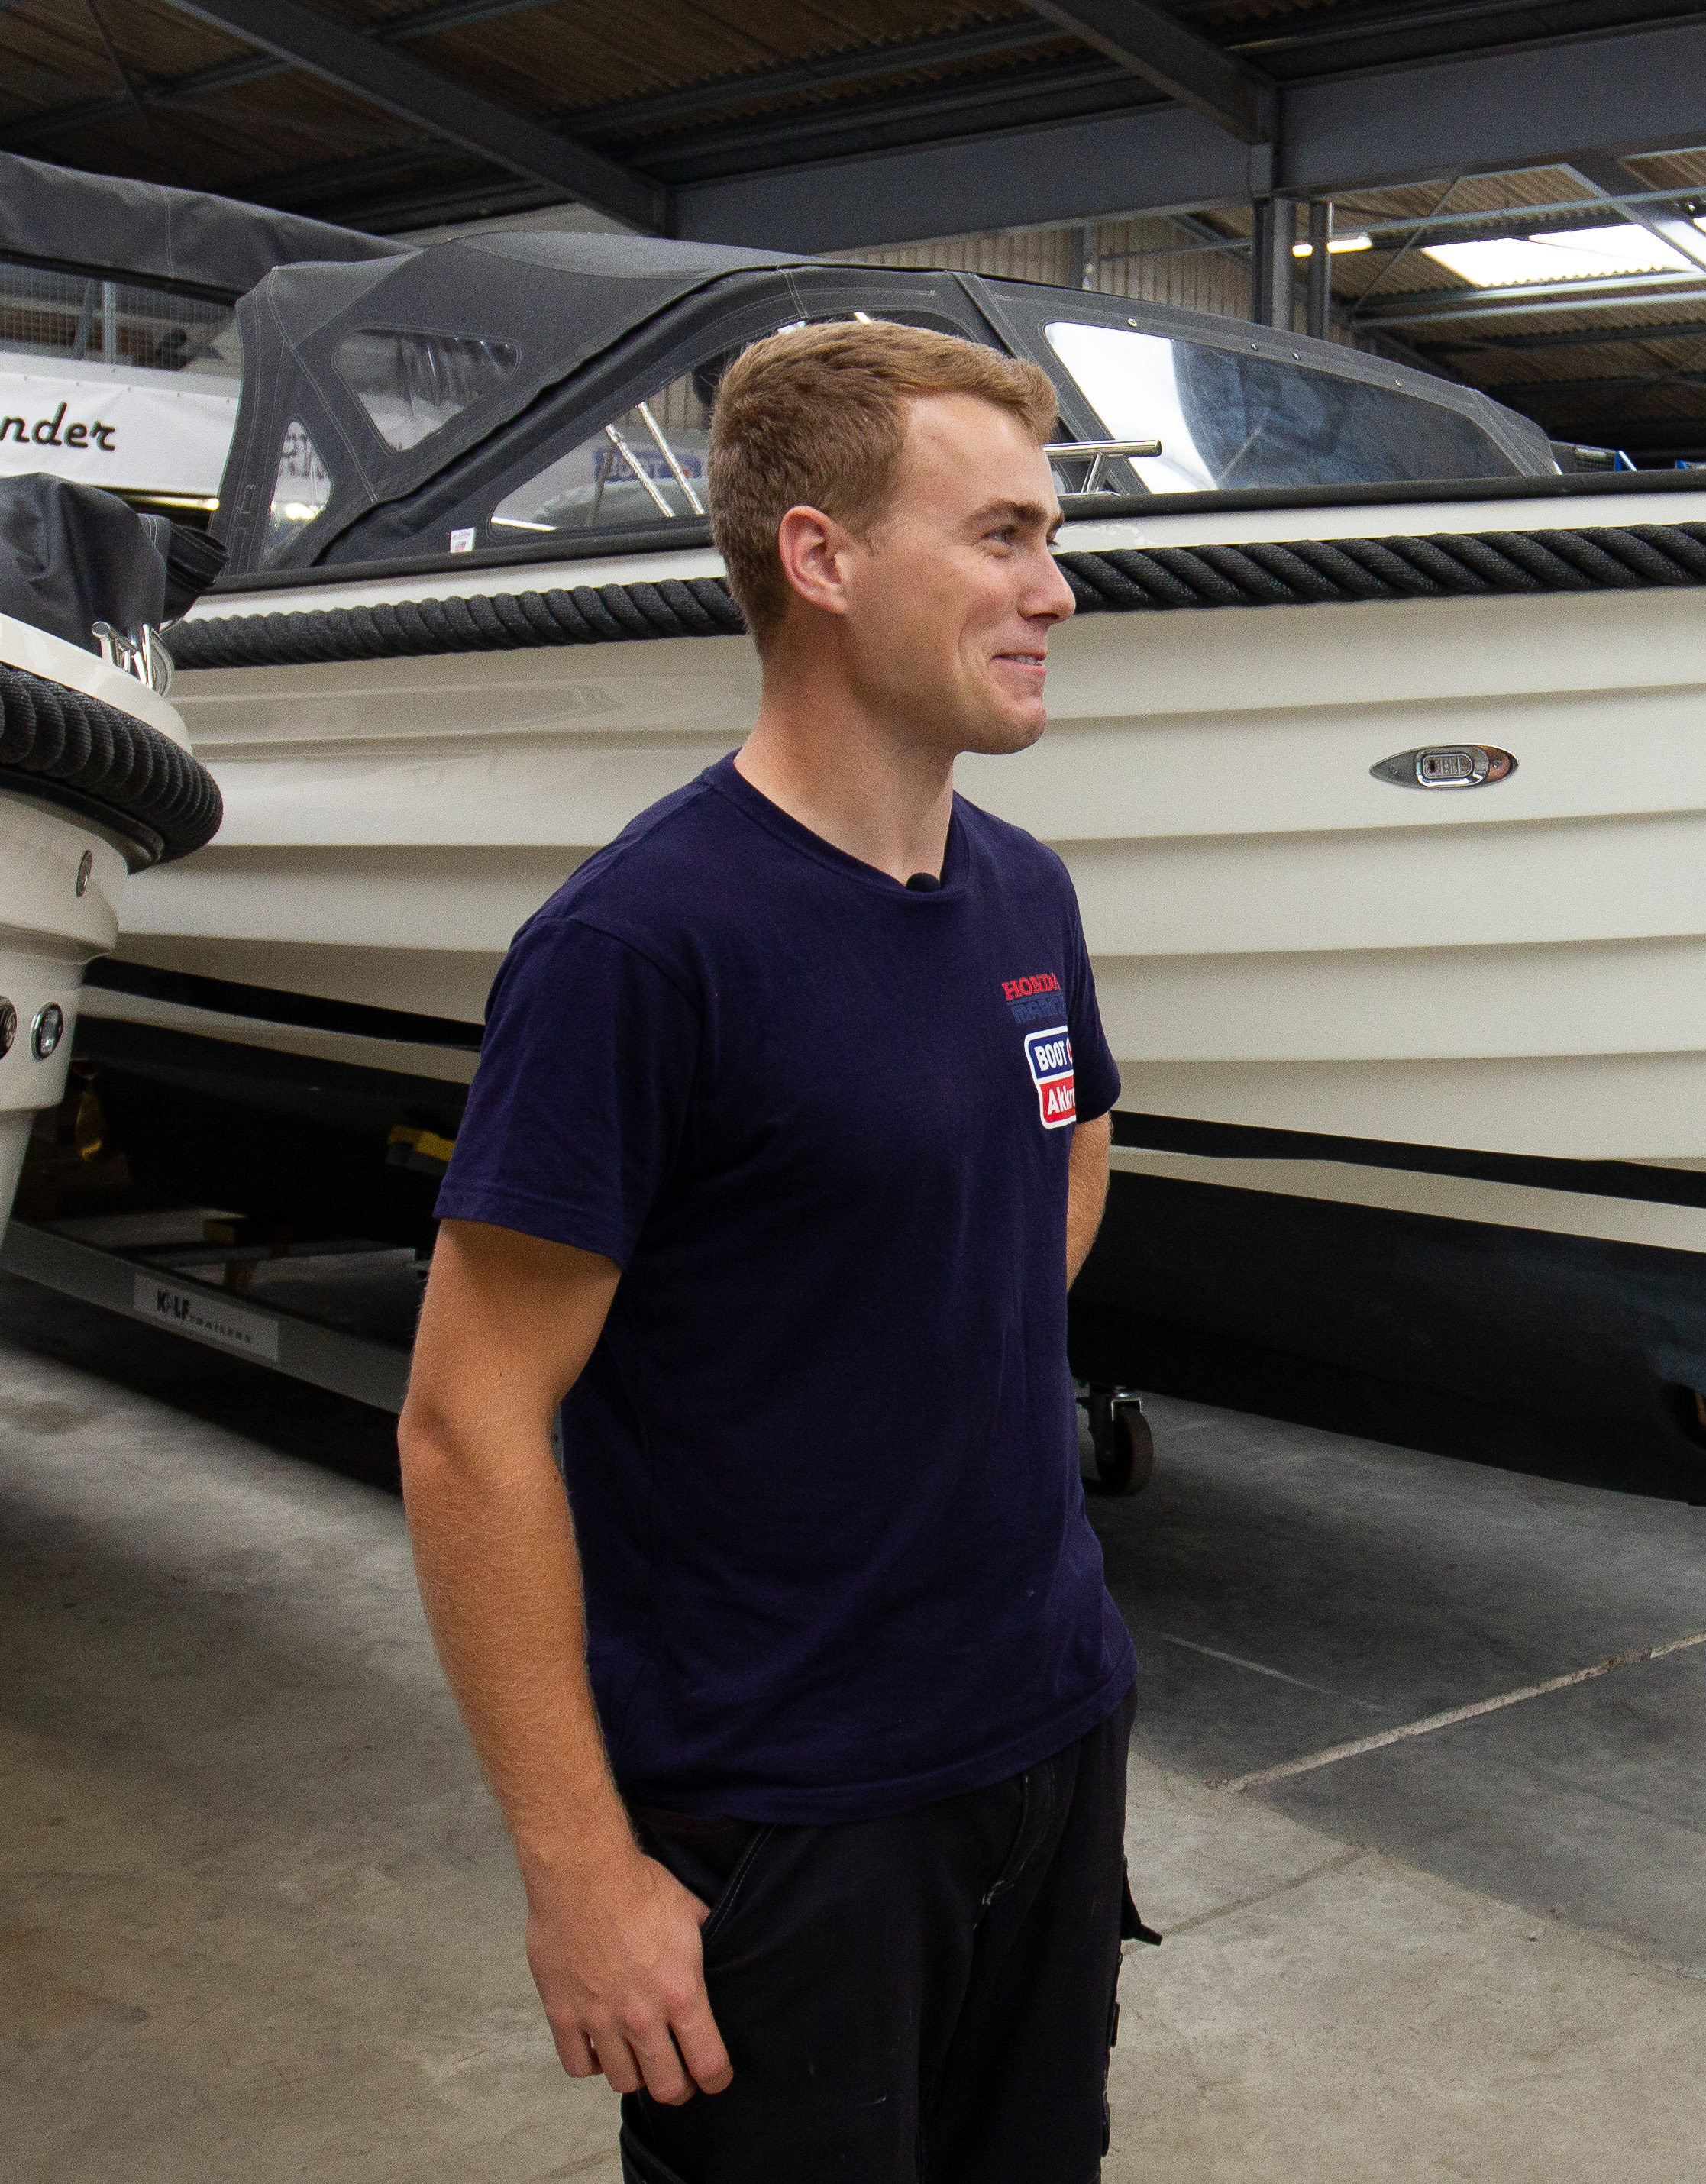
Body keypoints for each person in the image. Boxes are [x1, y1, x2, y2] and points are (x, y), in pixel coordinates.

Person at [399, 319, 1139, 2182]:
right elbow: (467, 1425)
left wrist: (905, 1367)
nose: (1054, 589)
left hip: (1049, 1738)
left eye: (1049, 538)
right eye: (999, 536)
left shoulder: (1027, 892)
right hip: (790, 1815)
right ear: (821, 557)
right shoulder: (639, 948)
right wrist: (580, 1870)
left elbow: (1069, 1149)